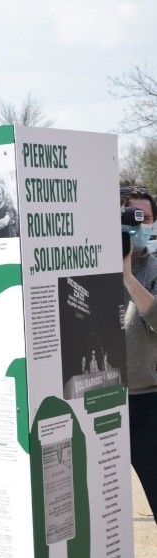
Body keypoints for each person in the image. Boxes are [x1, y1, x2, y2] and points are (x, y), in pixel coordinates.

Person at [120, 186, 157, 523]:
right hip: (95, 405)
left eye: (143, 218)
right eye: (128, 217)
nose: (136, 225)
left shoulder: (155, 269)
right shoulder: (87, 265)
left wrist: (127, 276)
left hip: (147, 405)